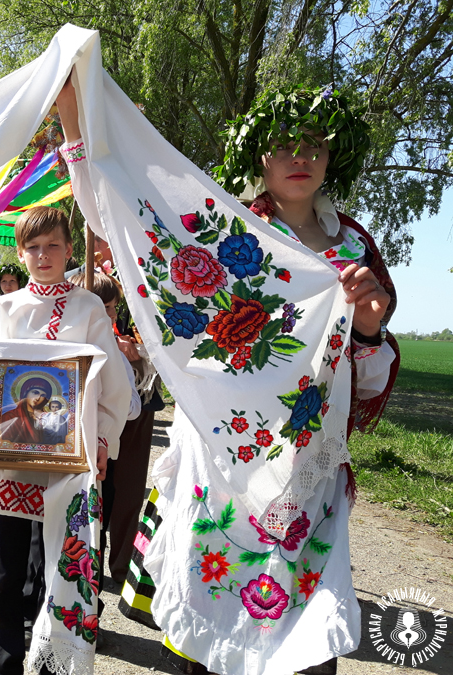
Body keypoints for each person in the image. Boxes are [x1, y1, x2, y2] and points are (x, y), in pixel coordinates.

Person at [57, 76, 398, 675]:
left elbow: (365, 381)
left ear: (333, 157)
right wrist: (73, 116)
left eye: (315, 145)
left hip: (307, 471)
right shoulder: (224, 229)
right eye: (284, 145)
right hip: (224, 457)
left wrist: (367, 330)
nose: (301, 157)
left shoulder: (355, 247)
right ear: (257, 156)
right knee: (214, 628)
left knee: (303, 635)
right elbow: (121, 213)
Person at [0, 205, 132, 675]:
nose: (43, 255)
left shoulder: (88, 307)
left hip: (67, 463)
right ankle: (4, 664)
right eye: (33, 247)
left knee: (58, 566)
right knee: (5, 569)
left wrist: (103, 439)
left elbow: (111, 383)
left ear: (70, 250)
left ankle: (50, 662)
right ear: (20, 253)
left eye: (53, 245)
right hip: (7, 458)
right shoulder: (1, 308)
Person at [72, 270, 159, 597]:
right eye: (104, 307)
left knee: (126, 493)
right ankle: (87, 567)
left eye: (112, 307)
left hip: (131, 415)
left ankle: (121, 568)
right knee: (91, 500)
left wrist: (133, 352)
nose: (110, 314)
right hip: (85, 432)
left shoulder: (147, 268)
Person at [0, 377, 54, 445]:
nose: (38, 398)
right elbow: (5, 443)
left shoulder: (47, 418)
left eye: (43, 395)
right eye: (35, 392)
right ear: (25, 393)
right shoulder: (9, 416)